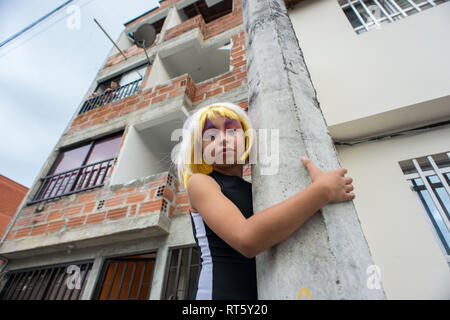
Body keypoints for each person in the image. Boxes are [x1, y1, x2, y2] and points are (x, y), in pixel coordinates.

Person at [175, 102, 355, 300]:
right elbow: (247, 239)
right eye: (211, 136)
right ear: (200, 150)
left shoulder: (257, 190)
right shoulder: (201, 183)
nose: (223, 139)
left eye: (232, 131)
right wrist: (321, 192)